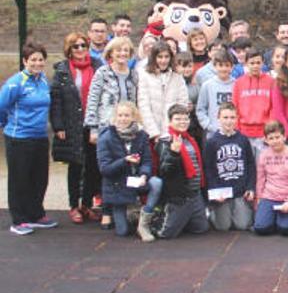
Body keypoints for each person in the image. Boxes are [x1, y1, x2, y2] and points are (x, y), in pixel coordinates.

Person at [1, 42, 56, 236]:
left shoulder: (43, 81)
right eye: (33, 60)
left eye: (40, 60)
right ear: (25, 61)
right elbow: (1, 106)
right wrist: (5, 126)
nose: (37, 63)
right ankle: (19, 219)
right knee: (19, 180)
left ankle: (36, 214)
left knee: (39, 178)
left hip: (40, 137)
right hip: (18, 138)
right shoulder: (16, 82)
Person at [85, 36, 138, 229]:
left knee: (126, 168)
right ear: (111, 53)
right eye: (118, 51)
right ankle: (107, 210)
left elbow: (135, 101)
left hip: (127, 129)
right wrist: (93, 128)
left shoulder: (133, 74)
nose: (122, 54)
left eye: (126, 50)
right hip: (107, 127)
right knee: (109, 170)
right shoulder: (102, 73)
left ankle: (124, 206)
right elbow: (93, 100)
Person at [51, 32, 102, 224]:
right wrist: (58, 125)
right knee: (75, 165)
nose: (80, 49)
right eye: (76, 46)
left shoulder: (97, 66)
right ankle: (73, 205)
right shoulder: (63, 70)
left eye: (83, 45)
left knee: (92, 165)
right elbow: (56, 100)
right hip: (72, 124)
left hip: (92, 123)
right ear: (69, 50)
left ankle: (86, 204)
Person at [96, 102, 159, 240]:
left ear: (133, 117)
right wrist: (125, 161)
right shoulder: (106, 138)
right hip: (117, 185)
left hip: (136, 180)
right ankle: (124, 211)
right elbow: (105, 169)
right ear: (115, 117)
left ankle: (145, 218)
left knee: (157, 183)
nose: (123, 119)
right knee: (123, 232)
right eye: (120, 115)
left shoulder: (142, 136)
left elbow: (147, 161)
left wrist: (144, 174)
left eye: (127, 115)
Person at [156, 104, 210, 239]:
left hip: (195, 194)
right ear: (170, 121)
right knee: (166, 234)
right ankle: (152, 218)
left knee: (201, 228)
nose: (183, 122)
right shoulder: (165, 141)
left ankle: (183, 219)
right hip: (180, 196)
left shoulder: (190, 139)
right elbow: (165, 171)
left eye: (185, 119)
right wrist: (174, 153)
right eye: (178, 119)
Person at [203, 103, 256, 232]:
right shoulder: (211, 142)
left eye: (232, 117)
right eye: (225, 117)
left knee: (242, 225)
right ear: (218, 118)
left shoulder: (243, 140)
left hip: (240, 191)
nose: (229, 121)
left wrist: (250, 187)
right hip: (222, 192)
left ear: (237, 118)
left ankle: (238, 211)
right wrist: (215, 191)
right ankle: (211, 213)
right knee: (223, 227)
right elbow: (208, 169)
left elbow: (250, 164)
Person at [253, 121, 288, 236]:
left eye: (277, 137)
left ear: (284, 137)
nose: (275, 141)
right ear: (266, 140)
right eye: (271, 138)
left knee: (286, 229)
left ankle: (282, 218)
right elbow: (260, 179)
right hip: (269, 196)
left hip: (287, 197)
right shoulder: (263, 155)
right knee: (260, 228)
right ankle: (270, 218)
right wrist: (259, 199)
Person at [137, 43, 189, 142]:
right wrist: (153, 132)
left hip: (172, 132)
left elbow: (182, 103)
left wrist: (174, 128)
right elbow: (143, 105)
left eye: (166, 57)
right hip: (150, 132)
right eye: (160, 57)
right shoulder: (144, 75)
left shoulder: (177, 76)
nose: (163, 60)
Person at [233, 48, 274, 157]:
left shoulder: (271, 81)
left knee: (262, 166)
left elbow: (273, 108)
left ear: (262, 63)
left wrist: (269, 131)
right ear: (246, 64)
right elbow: (235, 107)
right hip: (244, 132)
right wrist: (237, 130)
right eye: (252, 63)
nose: (255, 66)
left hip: (264, 132)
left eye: (258, 63)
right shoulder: (238, 83)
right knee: (247, 165)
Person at [196, 50, 236, 139]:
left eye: (227, 65)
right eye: (220, 65)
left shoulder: (236, 84)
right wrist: (209, 126)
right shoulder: (207, 85)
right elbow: (201, 109)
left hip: (233, 132)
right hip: (213, 133)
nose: (224, 69)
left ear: (232, 67)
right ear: (215, 66)